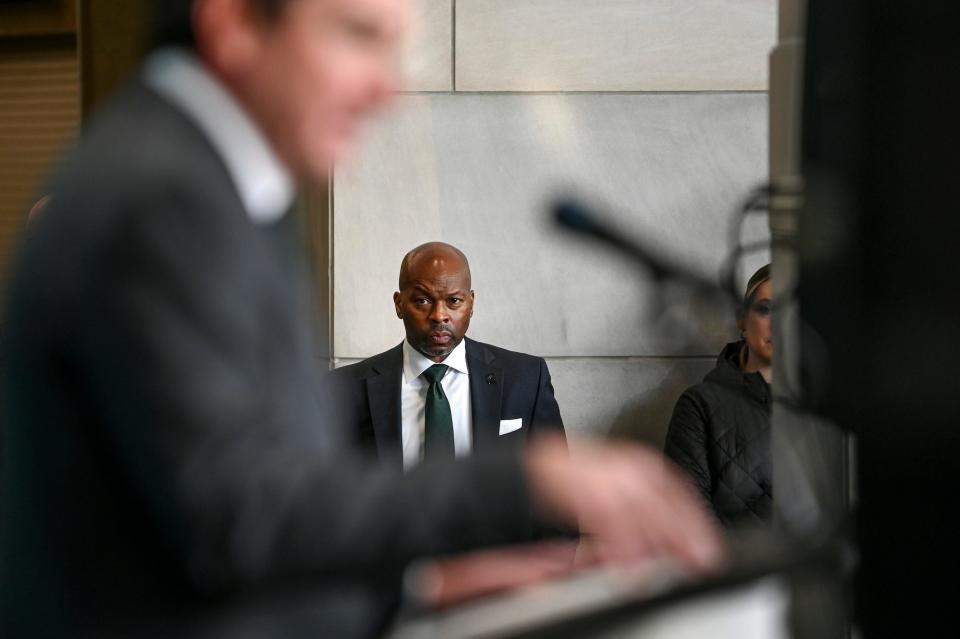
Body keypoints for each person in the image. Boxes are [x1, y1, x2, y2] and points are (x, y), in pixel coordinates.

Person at [0, 1, 723, 637]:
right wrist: (524, 476)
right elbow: (240, 518)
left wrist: (421, 588)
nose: (388, 88)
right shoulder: (164, 199)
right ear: (235, 21)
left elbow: (218, 520)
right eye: (356, 35)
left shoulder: (211, 185)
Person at [331, 242, 565, 471]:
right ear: (399, 304)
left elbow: (560, 488)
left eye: (454, 301)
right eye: (422, 301)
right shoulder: (344, 389)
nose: (439, 315)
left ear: (471, 303)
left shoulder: (527, 378)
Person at [664, 264, 773, 527]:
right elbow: (689, 523)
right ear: (742, 319)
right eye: (766, 309)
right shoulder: (699, 407)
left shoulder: (827, 407)